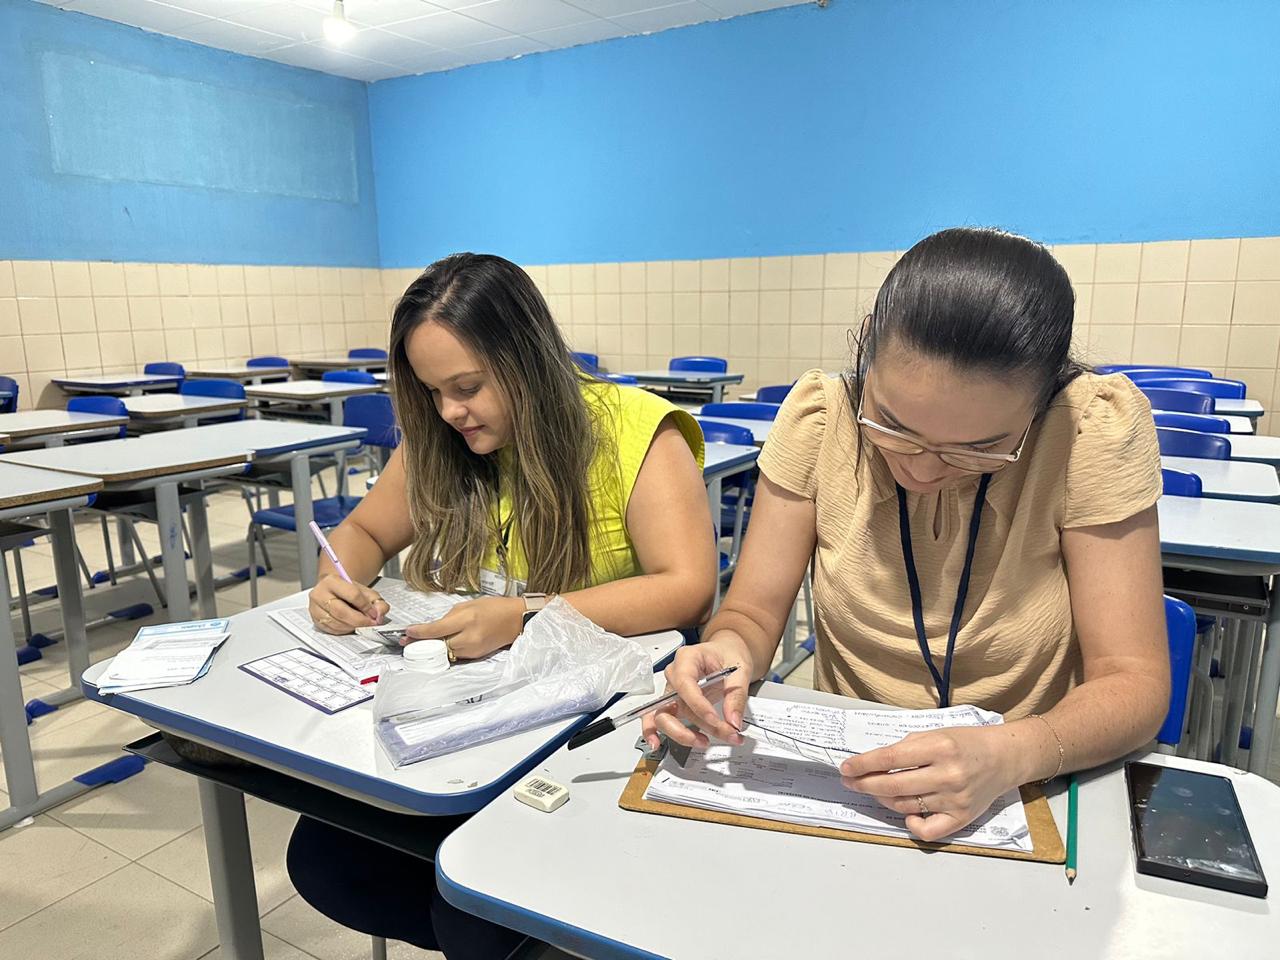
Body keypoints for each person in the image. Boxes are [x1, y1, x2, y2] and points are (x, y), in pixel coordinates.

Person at [644, 226, 1170, 843]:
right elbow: (755, 613)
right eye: (893, 426)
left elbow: (1132, 679)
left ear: (1041, 402)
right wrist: (726, 656)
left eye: (978, 448)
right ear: (867, 346)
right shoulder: (821, 420)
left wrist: (1016, 752)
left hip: (1024, 785)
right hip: (847, 787)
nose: (921, 468)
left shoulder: (1089, 433)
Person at [288, 253, 716, 958]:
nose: (450, 411)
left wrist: (527, 614)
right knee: (330, 861)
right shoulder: (442, 440)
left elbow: (686, 585)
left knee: (477, 919)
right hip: (478, 722)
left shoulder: (636, 431)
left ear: (528, 359)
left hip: (590, 733)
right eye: (431, 392)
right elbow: (363, 530)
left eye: (468, 386)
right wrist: (337, 576)